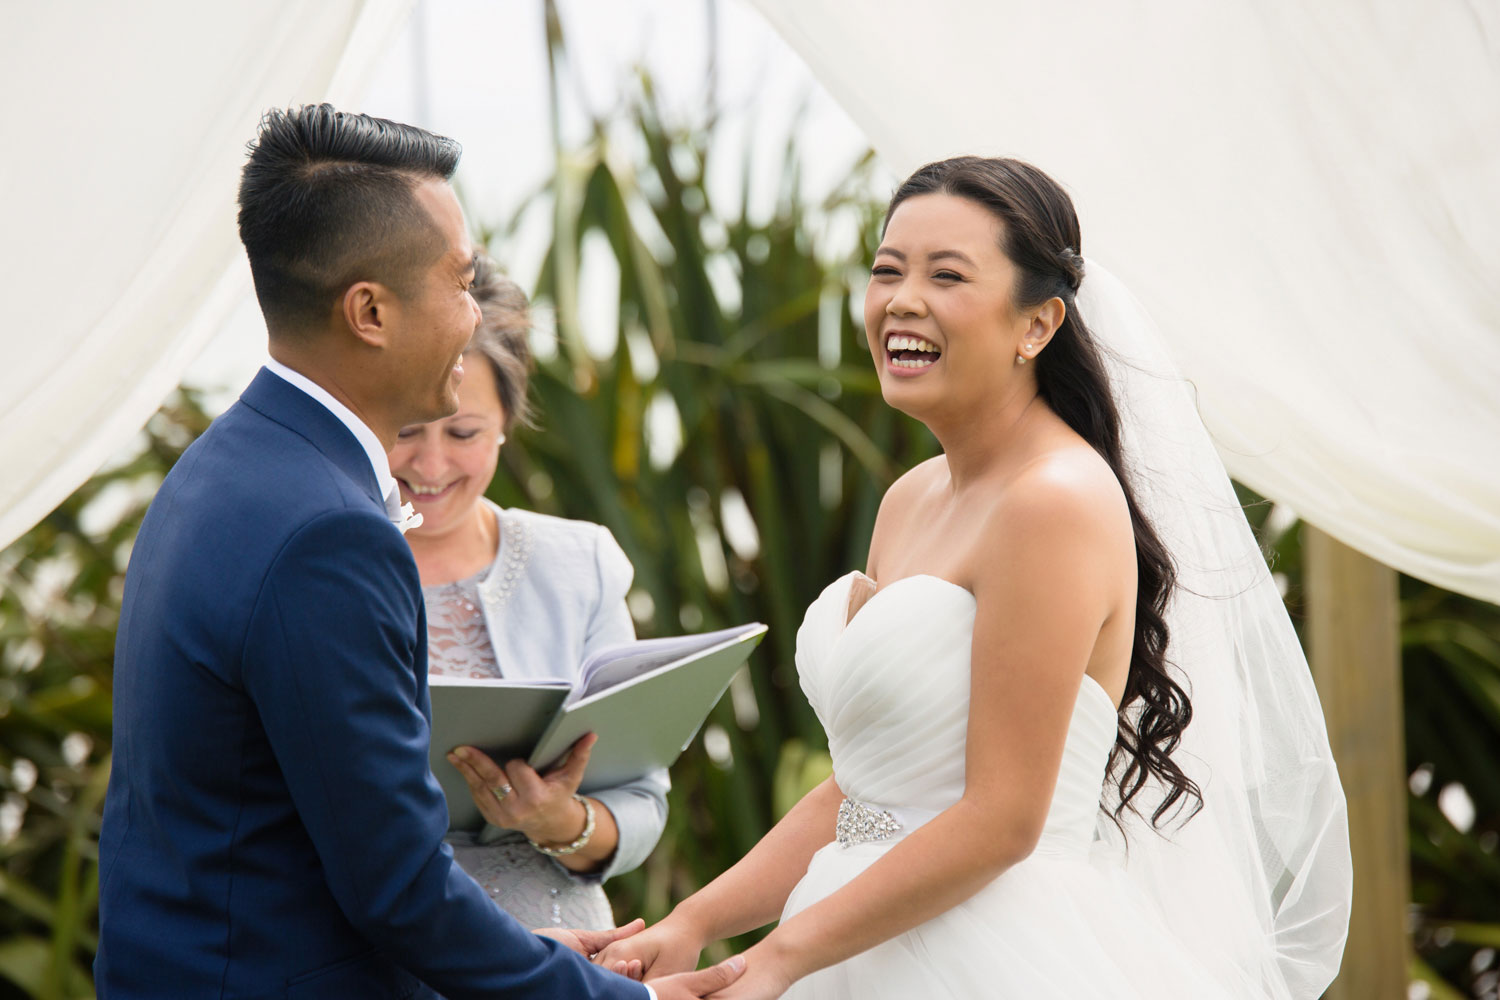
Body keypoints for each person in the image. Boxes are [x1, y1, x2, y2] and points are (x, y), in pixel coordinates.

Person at [595, 156, 1351, 998]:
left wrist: (776, 957)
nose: (901, 300)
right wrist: (691, 923)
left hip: (993, 951)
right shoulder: (910, 499)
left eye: (947, 275)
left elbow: (1001, 819)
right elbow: (865, 789)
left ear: (1037, 325)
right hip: (854, 935)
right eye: (887, 271)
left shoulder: (1053, 503)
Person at [95, 103, 742, 1000]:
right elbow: (397, 888)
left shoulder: (223, 466)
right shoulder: (332, 531)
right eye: (462, 280)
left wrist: (543, 956)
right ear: (369, 311)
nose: (476, 312)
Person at [388, 254, 669, 930]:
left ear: (507, 424)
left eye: (463, 433)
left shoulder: (578, 561)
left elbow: (641, 800)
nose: (430, 466)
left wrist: (559, 821)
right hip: (380, 951)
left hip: (559, 946)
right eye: (404, 431)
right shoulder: (324, 563)